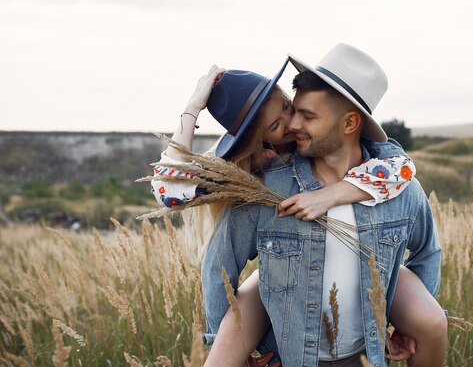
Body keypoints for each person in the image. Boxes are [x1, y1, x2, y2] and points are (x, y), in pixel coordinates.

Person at [151, 57, 445, 366]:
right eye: (276, 126)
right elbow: (169, 192)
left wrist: (334, 194)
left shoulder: (392, 179)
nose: (292, 125)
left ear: (349, 123)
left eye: (295, 110)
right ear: (258, 138)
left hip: (360, 337)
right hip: (284, 306)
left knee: (431, 320)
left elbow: (404, 172)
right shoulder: (259, 179)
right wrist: (191, 111)